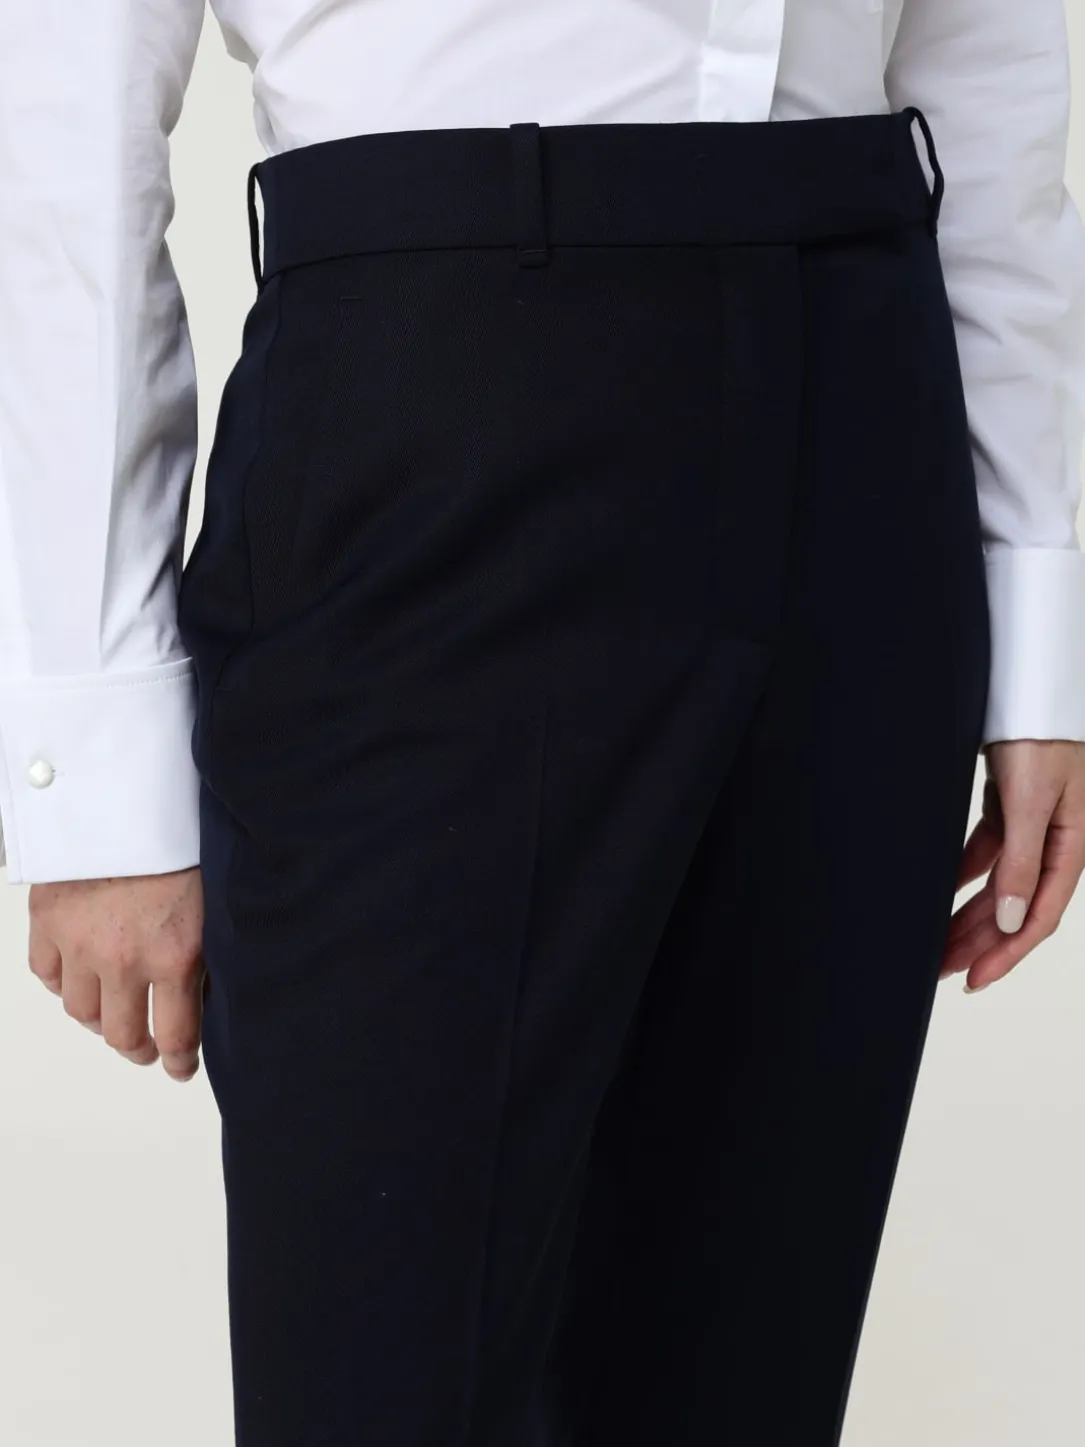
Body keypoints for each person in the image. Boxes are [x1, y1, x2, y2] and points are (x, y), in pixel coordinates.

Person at [2, 2, 1085, 1443]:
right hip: (432, 392)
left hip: (864, 391)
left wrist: (1038, 605)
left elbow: (985, 55)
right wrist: (93, 755)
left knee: (743, 1372)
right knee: (388, 1375)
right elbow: (69, 138)